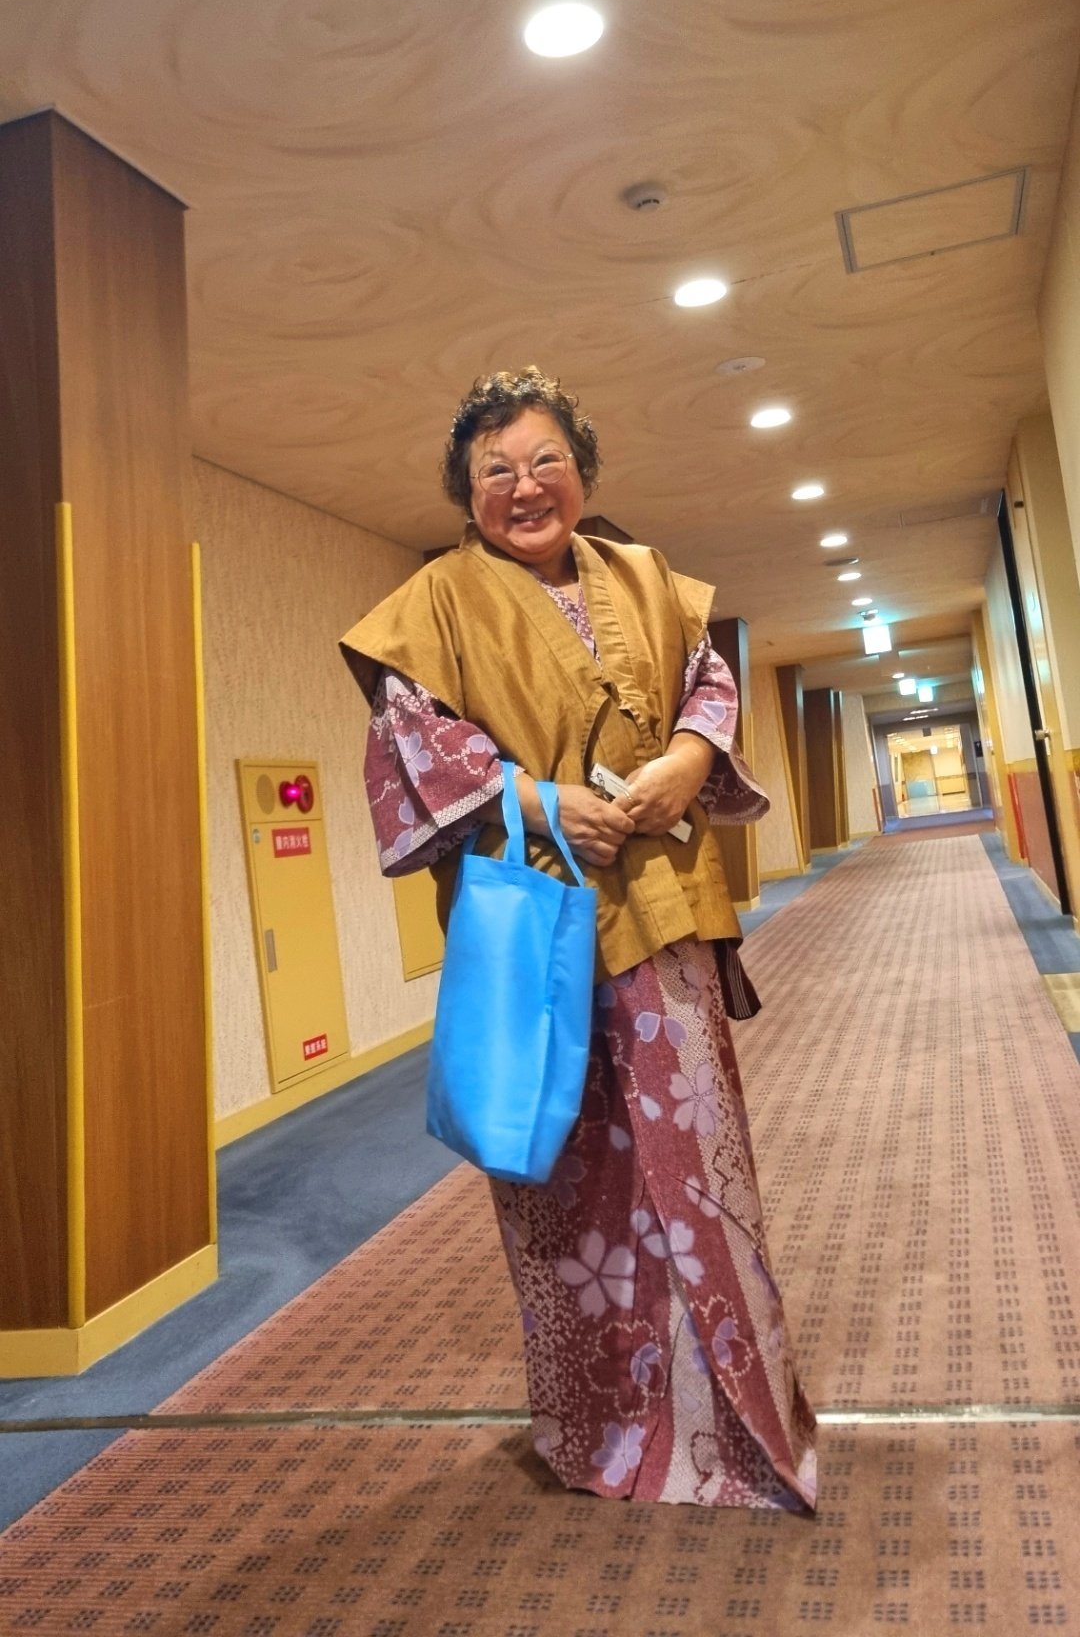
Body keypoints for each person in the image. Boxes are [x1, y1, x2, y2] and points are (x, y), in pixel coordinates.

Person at [340, 368, 816, 1511]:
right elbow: (416, 743)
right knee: (570, 1182)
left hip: (662, 910)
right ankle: (606, 1430)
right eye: (495, 469)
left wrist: (688, 763)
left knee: (701, 1169)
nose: (525, 487)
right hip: (538, 922)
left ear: (585, 473)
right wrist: (543, 801)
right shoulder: (434, 602)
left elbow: (707, 687)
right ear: (466, 493)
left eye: (546, 460)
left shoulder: (649, 579)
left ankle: (739, 1428)